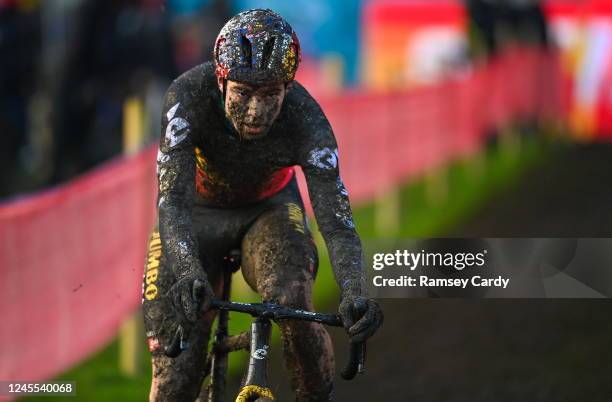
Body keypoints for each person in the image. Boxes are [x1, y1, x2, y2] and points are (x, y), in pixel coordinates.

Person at [141, 9, 383, 402]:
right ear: (221, 81)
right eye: (243, 93)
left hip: (268, 212)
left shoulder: (307, 120)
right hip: (195, 217)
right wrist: (187, 270)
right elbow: (172, 202)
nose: (255, 111)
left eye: (270, 94)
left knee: (291, 299)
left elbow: (336, 222)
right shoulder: (186, 97)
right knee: (174, 381)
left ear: (288, 87)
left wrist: (354, 292)